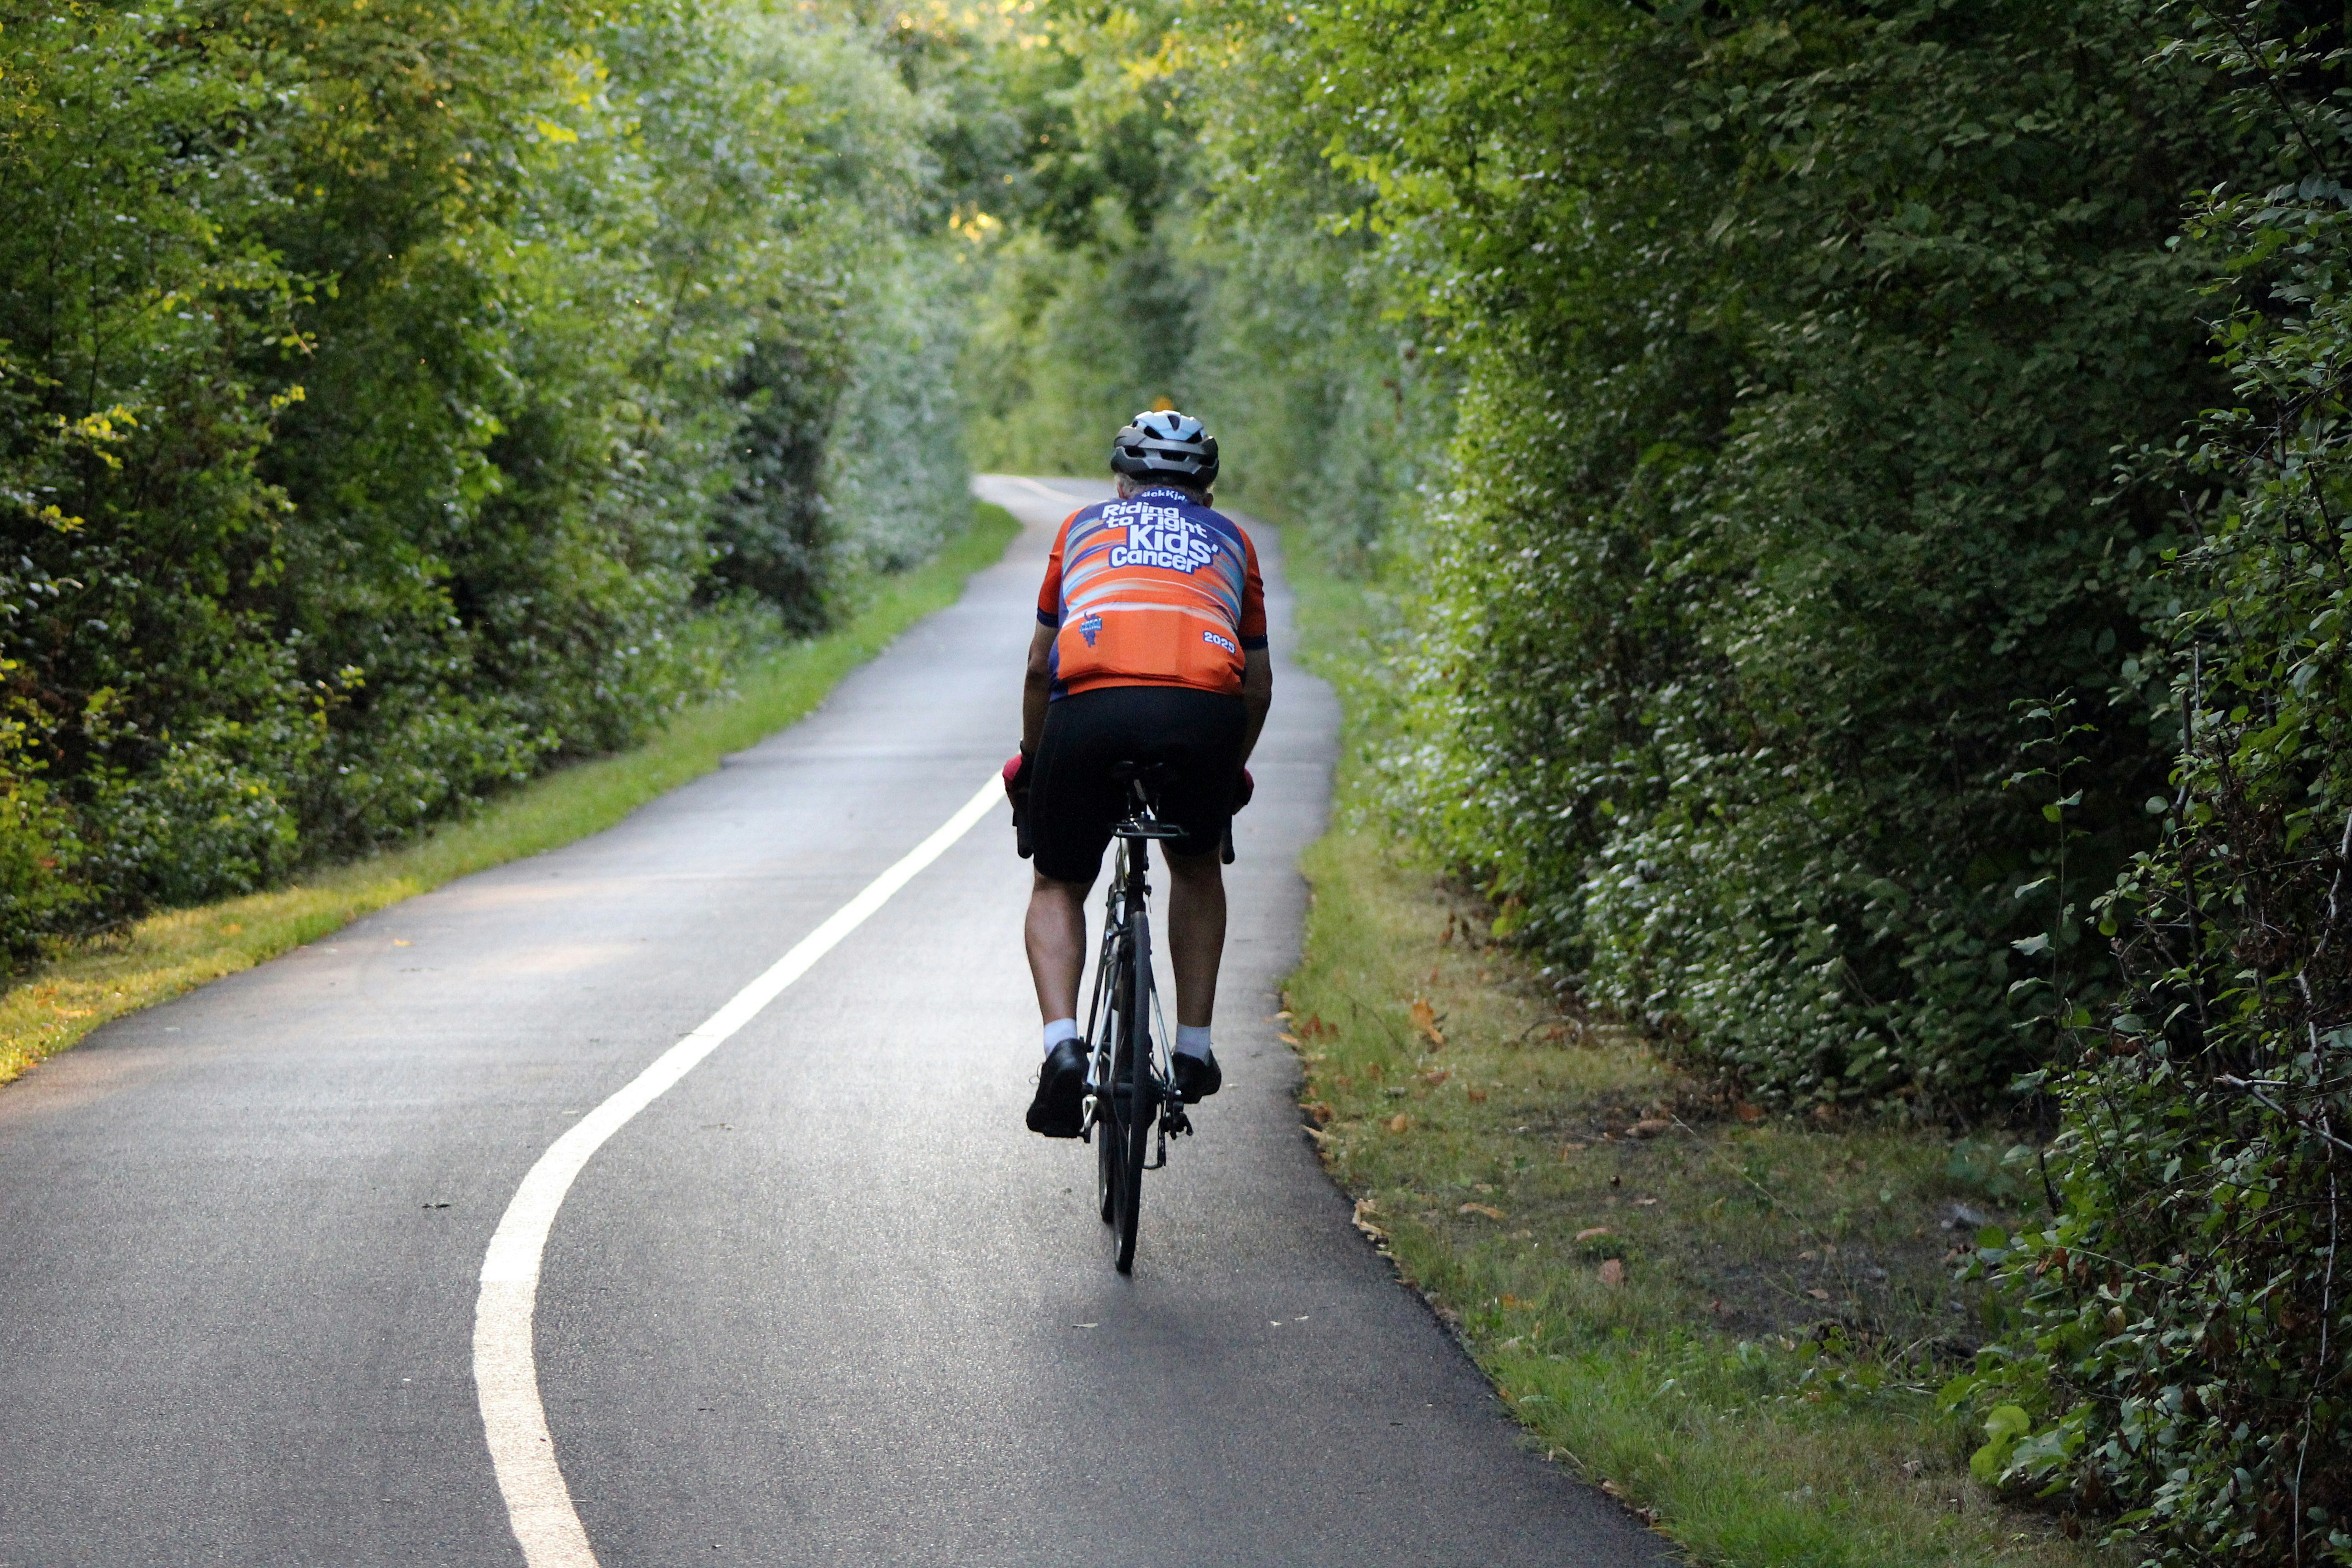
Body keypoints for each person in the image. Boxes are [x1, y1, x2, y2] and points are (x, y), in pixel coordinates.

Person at [1005, 411, 1273, 1137]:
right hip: (1203, 715)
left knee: (1059, 882)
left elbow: (1039, 664)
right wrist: (1230, 773)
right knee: (1194, 864)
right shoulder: (1232, 541)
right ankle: (1193, 1048)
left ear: (1121, 487)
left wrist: (1036, 766)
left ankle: (1064, 1049)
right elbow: (1255, 686)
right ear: (1206, 497)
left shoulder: (1083, 529)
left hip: (1091, 709)